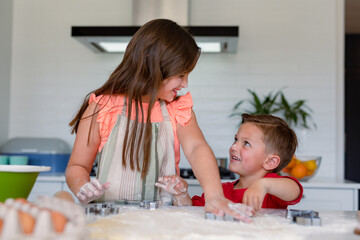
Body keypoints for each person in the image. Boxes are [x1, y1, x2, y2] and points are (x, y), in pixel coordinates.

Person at [64, 18, 252, 221]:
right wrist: (81, 185)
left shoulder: (176, 109)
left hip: (162, 222)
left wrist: (215, 197)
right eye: (181, 75)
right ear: (154, 69)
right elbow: (77, 167)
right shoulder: (103, 107)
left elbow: (197, 148)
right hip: (109, 221)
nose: (185, 83)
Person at [156, 113, 303, 211]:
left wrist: (263, 185)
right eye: (236, 140)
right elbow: (193, 211)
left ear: (270, 162)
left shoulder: (271, 189)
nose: (234, 147)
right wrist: (181, 195)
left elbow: (294, 190)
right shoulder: (221, 190)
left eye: (246, 143)